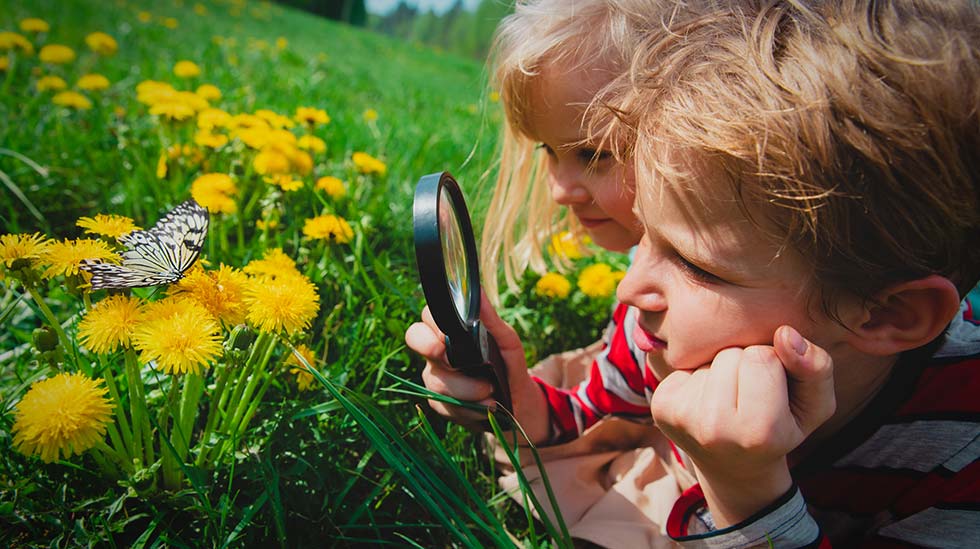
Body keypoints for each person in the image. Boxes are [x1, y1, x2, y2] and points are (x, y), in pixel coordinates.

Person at [419, 0, 980, 546]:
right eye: (646, 236)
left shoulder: (960, 455)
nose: (628, 286)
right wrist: (515, 398)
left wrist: (748, 497)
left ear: (888, 313)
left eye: (694, 264)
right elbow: (588, 415)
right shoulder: (661, 326)